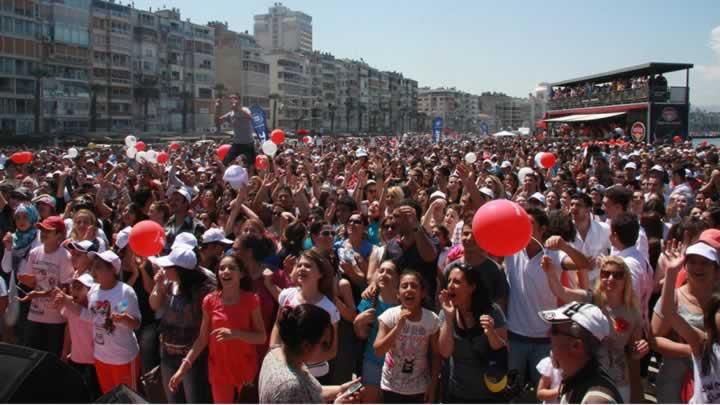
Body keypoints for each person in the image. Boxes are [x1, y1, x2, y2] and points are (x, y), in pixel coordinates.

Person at [541, 255, 649, 402]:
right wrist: (550, 272)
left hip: (619, 378)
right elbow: (561, 291)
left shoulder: (633, 313)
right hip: (588, 375)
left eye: (617, 275)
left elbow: (632, 353)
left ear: (626, 280)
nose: (610, 278)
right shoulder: (590, 300)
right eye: (605, 273)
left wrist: (639, 350)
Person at [169, 255, 266, 403]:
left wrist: (236, 334)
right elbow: (202, 339)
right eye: (221, 268)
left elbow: (261, 337)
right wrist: (182, 369)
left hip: (245, 369)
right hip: (219, 371)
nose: (225, 271)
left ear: (241, 274)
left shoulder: (251, 299)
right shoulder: (210, 301)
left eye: (231, 268)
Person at [56, 250, 141, 394]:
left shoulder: (125, 292)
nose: (94, 270)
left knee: (128, 399)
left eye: (99, 267)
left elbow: (136, 323)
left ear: (113, 270)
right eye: (93, 266)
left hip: (123, 358)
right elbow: (91, 316)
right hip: (101, 358)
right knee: (110, 397)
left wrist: (125, 319)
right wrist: (66, 301)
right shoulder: (93, 291)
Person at [149, 246, 216, 403]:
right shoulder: (170, 283)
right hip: (167, 355)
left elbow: (204, 332)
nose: (163, 269)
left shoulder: (205, 291)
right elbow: (154, 304)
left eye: (168, 267)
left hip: (193, 360)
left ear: (180, 270)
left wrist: (186, 363)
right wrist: (158, 285)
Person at [258, 304, 362, 404]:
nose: (327, 350)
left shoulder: (277, 353)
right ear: (306, 345)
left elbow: (311, 393)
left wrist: (340, 389)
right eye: (324, 343)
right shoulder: (289, 386)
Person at [437, 262, 509, 403]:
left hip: (489, 394)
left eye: (457, 282)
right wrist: (449, 318)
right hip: (457, 393)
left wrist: (491, 333)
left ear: (472, 287)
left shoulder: (492, 311)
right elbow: (444, 352)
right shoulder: (445, 313)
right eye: (449, 281)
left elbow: (502, 348)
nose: (450, 286)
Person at [660, 241, 720, 404]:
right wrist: (671, 273)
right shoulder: (703, 344)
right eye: (692, 262)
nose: (698, 267)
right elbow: (669, 313)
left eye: (704, 263)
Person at [270, 250, 340, 379]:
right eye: (299, 265)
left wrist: (299, 362)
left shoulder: (329, 309)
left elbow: (332, 350)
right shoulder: (286, 295)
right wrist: (274, 353)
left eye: (308, 266)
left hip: (316, 376)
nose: (302, 268)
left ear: (320, 274)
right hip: (285, 370)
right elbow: (277, 326)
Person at [374, 271, 441, 403]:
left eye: (414, 286)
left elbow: (436, 355)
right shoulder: (389, 316)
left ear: (422, 293)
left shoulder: (431, 319)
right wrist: (398, 327)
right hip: (391, 387)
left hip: (419, 388)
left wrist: (432, 388)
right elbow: (378, 350)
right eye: (404, 286)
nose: (409, 289)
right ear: (398, 294)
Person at [539, 302, 624, 404]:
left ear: (576, 346)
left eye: (554, 330)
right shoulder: (575, 380)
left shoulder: (595, 400)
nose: (547, 334)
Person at [17, 215, 73, 356]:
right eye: (42, 230)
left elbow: (65, 289)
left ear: (59, 235)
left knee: (51, 358)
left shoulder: (65, 256)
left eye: (48, 230)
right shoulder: (35, 253)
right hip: (34, 315)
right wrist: (25, 280)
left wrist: (40, 293)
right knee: (31, 357)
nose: (43, 233)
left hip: (55, 318)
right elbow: (32, 281)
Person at [353, 260, 400, 403]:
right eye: (381, 271)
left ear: (398, 278)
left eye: (389, 272)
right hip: (372, 362)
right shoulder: (369, 300)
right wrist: (357, 322)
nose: (384, 274)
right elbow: (360, 335)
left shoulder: (404, 302)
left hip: (396, 365)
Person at [216, 93, 257, 172]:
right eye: (231, 99)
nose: (233, 101)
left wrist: (238, 108)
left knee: (251, 164)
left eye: (235, 99)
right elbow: (218, 121)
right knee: (225, 162)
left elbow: (249, 117)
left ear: (239, 101)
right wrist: (217, 108)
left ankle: (248, 180)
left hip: (248, 143)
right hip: (237, 143)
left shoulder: (244, 109)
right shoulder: (230, 114)